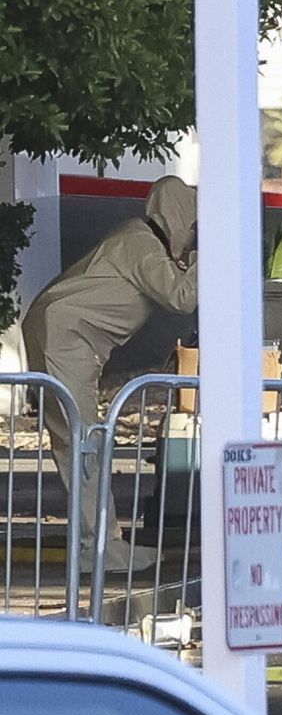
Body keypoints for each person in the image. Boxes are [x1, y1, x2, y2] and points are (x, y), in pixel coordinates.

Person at [21, 176, 198, 572]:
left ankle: (97, 544)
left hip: (63, 333)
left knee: (79, 442)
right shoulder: (142, 244)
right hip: (66, 336)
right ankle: (99, 548)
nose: (191, 236)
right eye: (192, 225)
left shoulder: (139, 239)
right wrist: (213, 255)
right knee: (83, 443)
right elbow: (181, 297)